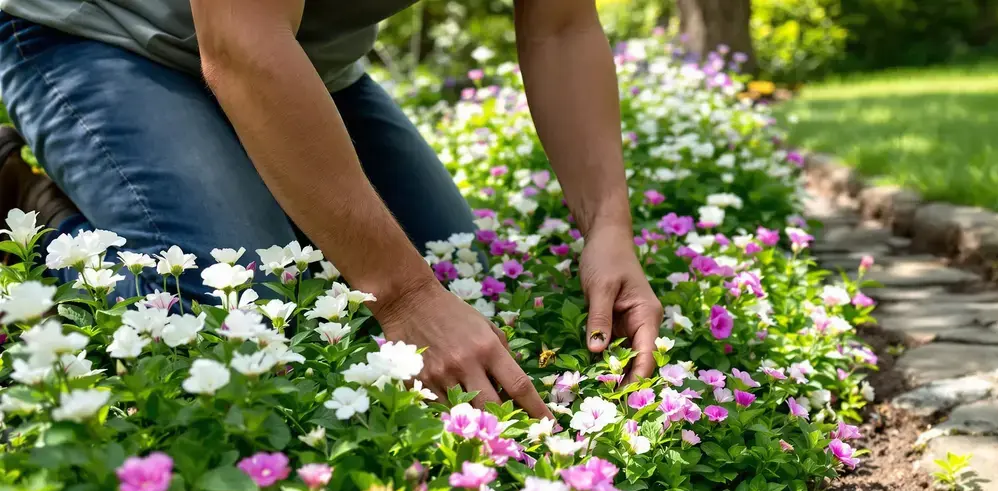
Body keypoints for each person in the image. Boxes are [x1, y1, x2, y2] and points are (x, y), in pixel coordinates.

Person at [0, 0, 663, 417]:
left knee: (460, 272)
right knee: (236, 317)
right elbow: (237, 45)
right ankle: (39, 210)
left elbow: (562, 26)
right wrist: (404, 297)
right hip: (103, 35)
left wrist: (609, 227)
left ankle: (237, 181)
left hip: (304, 65)